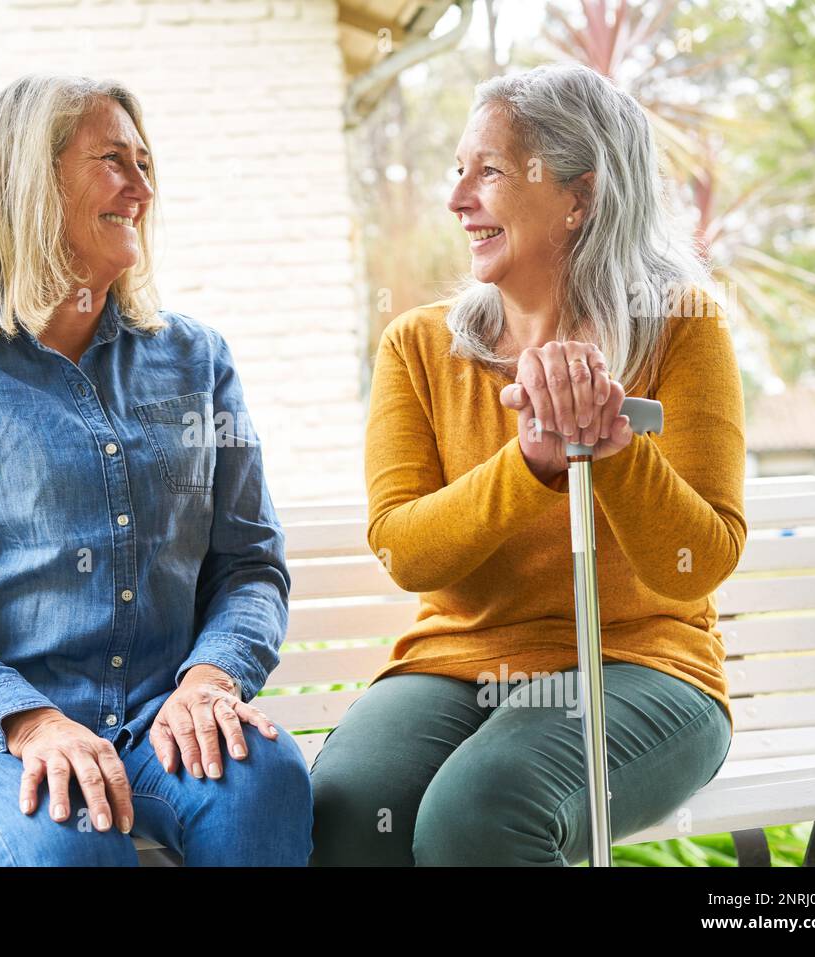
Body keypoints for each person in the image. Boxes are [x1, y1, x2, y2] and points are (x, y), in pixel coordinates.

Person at [0, 74, 312, 866]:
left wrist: (209, 677)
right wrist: (31, 721)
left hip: (151, 722)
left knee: (265, 778)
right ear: (33, 183)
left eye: (145, 162)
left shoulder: (196, 359)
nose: (143, 188)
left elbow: (250, 567)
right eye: (113, 161)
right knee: (67, 836)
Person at [309, 63, 743, 866]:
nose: (457, 198)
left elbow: (697, 564)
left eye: (491, 172)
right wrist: (531, 463)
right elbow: (405, 549)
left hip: (645, 664)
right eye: (458, 171)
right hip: (458, 662)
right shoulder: (418, 346)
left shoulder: (681, 328)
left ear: (579, 197)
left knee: (482, 811)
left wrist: (610, 449)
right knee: (346, 808)